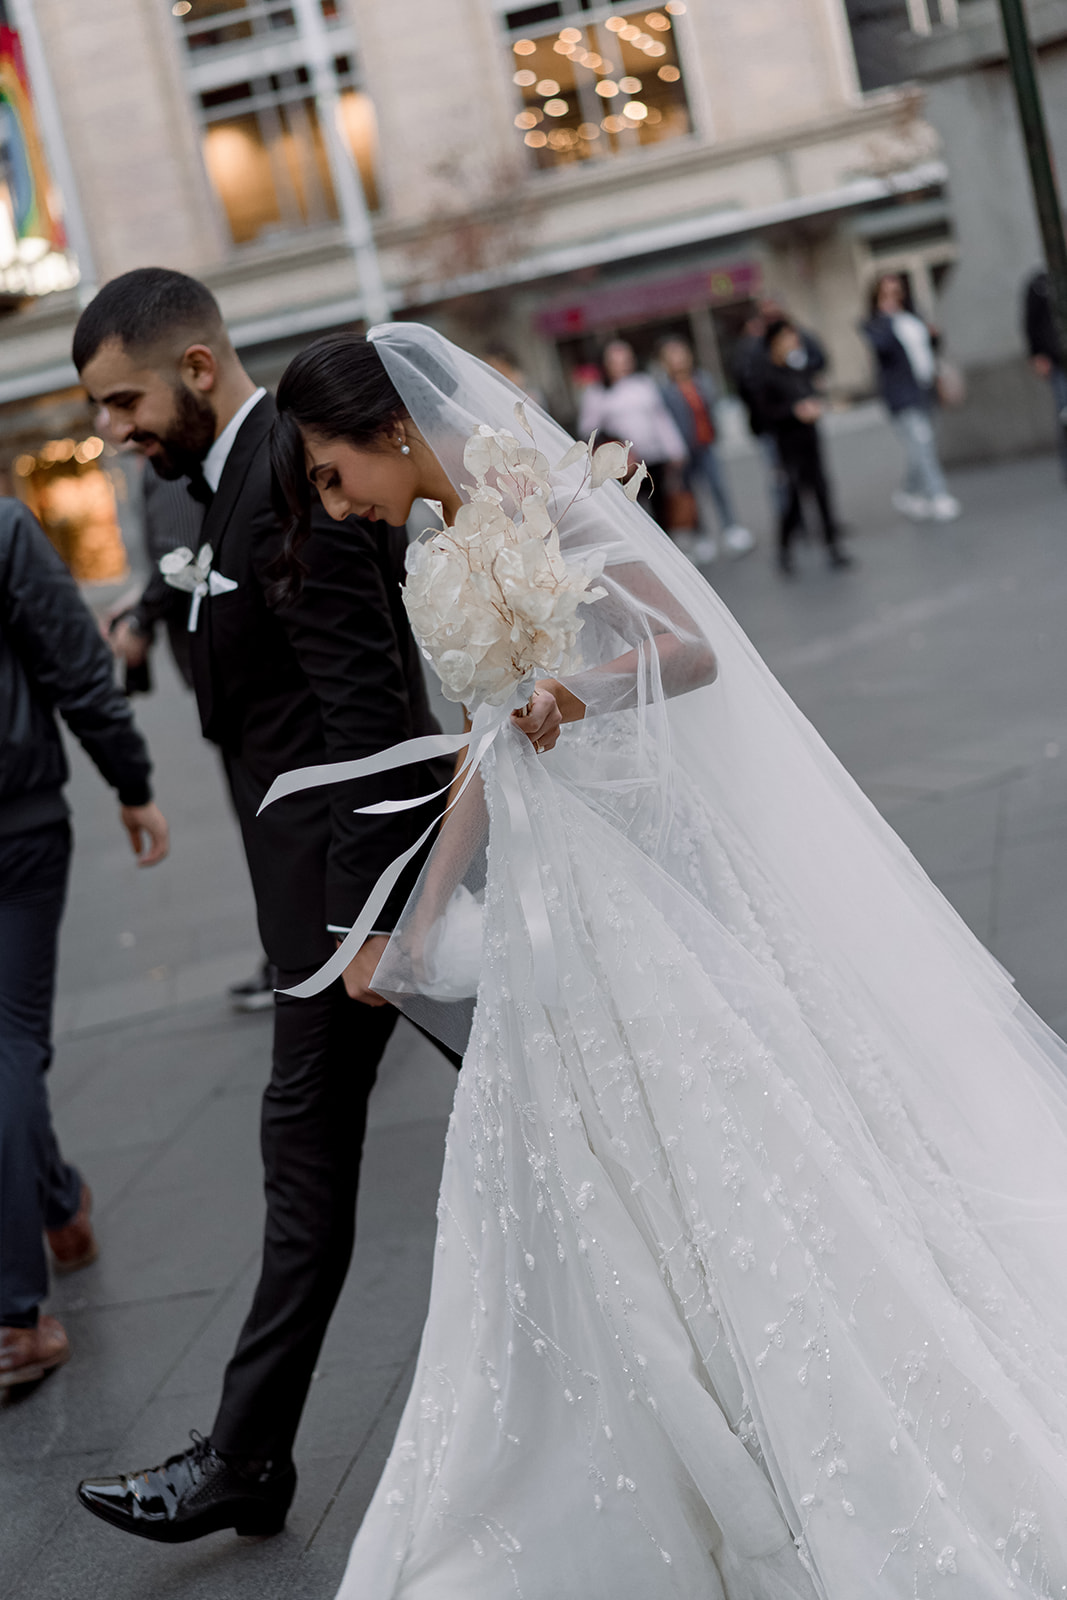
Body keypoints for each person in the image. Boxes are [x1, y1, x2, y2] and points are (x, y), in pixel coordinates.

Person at [267, 323, 1067, 1598]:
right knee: (557, 1165)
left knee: (722, 1137)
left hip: (627, 867)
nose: (334, 501)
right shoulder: (432, 543)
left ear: (388, 426)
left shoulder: (539, 495)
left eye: (329, 471)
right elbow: (481, 747)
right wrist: (416, 917)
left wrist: (572, 693)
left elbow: (688, 649)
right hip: (545, 893)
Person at [71, 269, 460, 1544]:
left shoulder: (299, 473)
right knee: (531, 1094)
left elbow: (372, 718)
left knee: (305, 1155)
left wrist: (362, 928)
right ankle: (250, 1456)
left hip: (360, 898)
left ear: (195, 367)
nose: (112, 431)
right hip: (318, 899)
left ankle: (244, 1457)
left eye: (122, 401)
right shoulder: (209, 484)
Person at [0, 498, 169, 1388]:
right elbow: (73, 662)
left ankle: (61, 1205)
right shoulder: (2, 528)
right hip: (15, 825)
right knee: (9, 1044)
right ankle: (13, 1320)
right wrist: (130, 781)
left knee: (7, 1049)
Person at [108, 465, 273, 1014]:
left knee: (265, 820)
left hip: (231, 674)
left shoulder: (167, 465)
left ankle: (293, 957)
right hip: (231, 670)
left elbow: (178, 557)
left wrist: (140, 621)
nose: (113, 425)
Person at [862, 273, 960, 523]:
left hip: (925, 388)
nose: (892, 298)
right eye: (886, 294)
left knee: (923, 445)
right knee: (921, 443)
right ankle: (938, 495)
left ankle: (908, 492)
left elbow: (932, 347)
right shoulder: (876, 324)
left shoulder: (913, 318)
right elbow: (882, 347)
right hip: (902, 395)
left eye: (896, 292)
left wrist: (933, 335)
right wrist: (887, 318)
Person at [757, 318, 851, 575]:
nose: (793, 342)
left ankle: (833, 546)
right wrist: (794, 411)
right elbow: (766, 412)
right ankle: (784, 551)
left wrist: (815, 406)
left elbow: (810, 392)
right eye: (788, 337)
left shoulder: (798, 367)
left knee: (822, 491)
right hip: (788, 445)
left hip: (810, 440)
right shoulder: (766, 373)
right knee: (793, 499)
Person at [577, 338, 689, 542]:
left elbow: (660, 418)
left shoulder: (643, 384)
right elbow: (588, 429)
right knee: (632, 510)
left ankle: (665, 545)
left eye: (625, 360)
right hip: (624, 464)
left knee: (660, 505)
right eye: (615, 361)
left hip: (652, 457)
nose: (621, 365)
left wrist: (675, 448)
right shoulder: (597, 392)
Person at [657, 335, 754, 561]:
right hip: (683, 451)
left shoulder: (701, 380)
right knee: (691, 493)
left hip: (706, 443)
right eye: (672, 356)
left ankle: (731, 528)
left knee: (718, 486)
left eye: (681, 354)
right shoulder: (665, 390)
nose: (678, 359)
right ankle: (702, 536)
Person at [1023, 267, 1067, 482]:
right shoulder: (1040, 284)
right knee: (1065, 414)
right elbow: (1030, 322)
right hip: (1057, 361)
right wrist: (1037, 355)